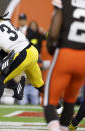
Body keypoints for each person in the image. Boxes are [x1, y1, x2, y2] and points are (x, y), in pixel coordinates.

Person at [43, 0, 85, 130]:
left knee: (49, 102)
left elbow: (54, 32)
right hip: (83, 58)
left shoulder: (64, 2)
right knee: (70, 100)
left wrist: (50, 46)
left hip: (65, 54)